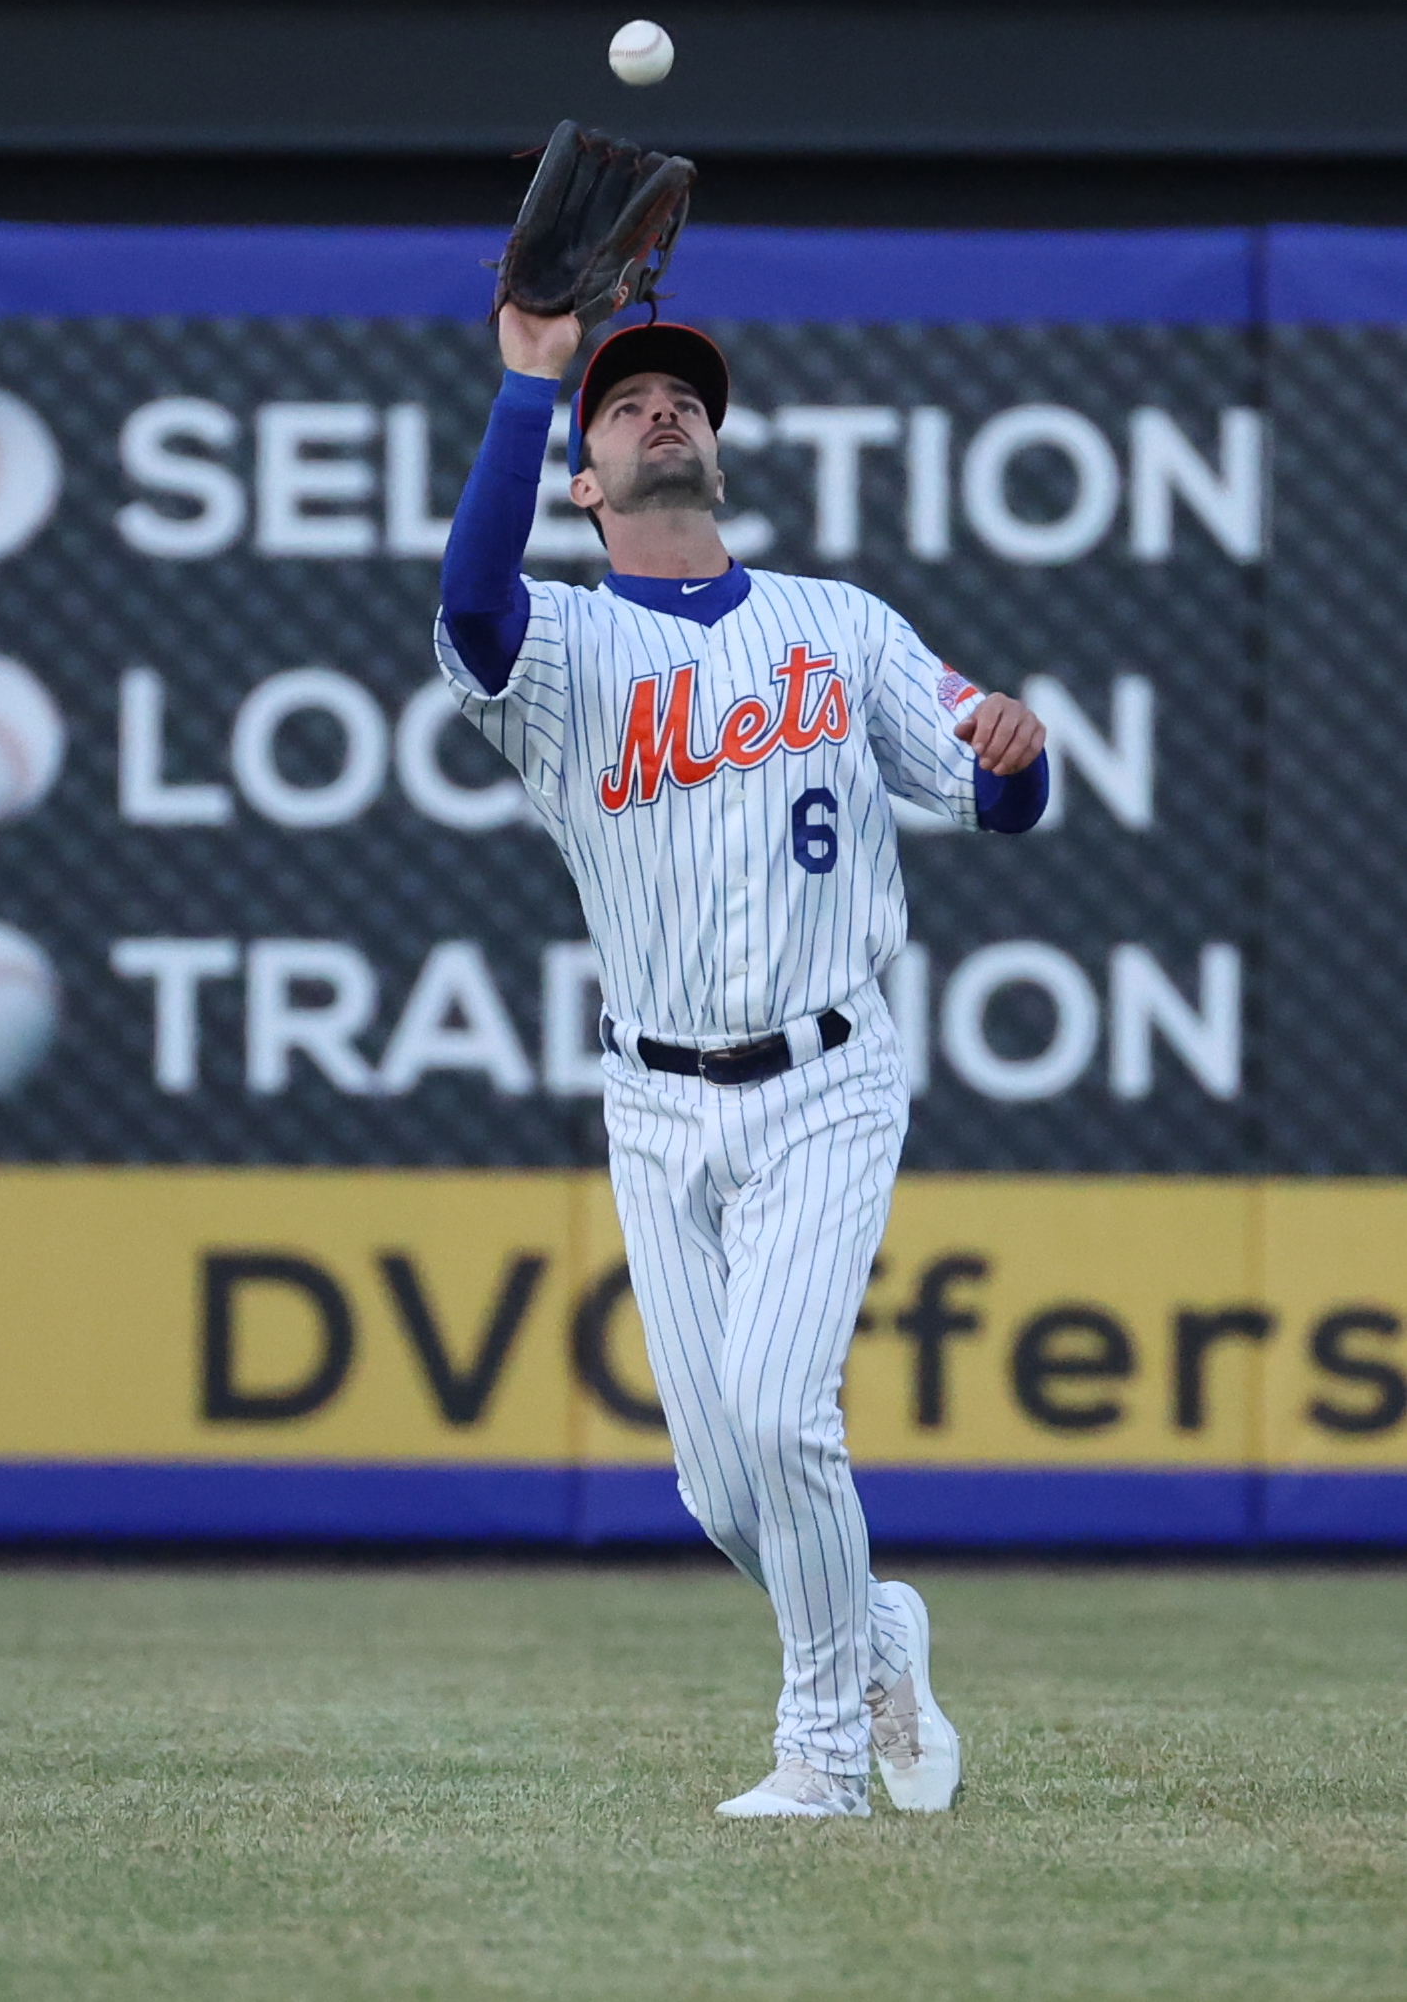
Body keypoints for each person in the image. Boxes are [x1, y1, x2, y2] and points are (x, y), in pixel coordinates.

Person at [434, 304, 1048, 1819]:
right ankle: (879, 1628)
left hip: (827, 1075)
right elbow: (470, 607)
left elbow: (989, 785)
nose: (660, 414)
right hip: (651, 1094)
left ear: (715, 444)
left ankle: (825, 1758)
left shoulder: (842, 625)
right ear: (585, 481)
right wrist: (529, 385)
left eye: (680, 401)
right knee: (722, 1488)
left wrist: (1018, 750)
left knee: (784, 1417)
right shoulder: (564, 647)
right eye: (628, 405)